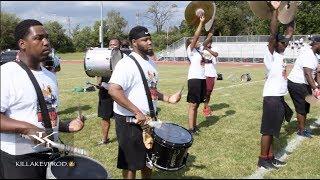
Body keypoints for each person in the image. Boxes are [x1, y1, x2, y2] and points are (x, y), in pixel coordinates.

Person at [0, 19, 85, 179]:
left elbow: (44, 112)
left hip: (48, 153)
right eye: (38, 38)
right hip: (19, 158)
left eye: (47, 37)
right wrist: (25, 128)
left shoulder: (49, 75)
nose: (46, 42)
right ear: (22, 44)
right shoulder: (6, 74)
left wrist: (66, 126)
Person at [108, 25, 182, 179]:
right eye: (145, 40)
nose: (149, 42)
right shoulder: (126, 64)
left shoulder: (150, 62)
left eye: (150, 39)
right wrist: (137, 112)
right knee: (131, 164)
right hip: (130, 122)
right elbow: (114, 90)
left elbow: (150, 90)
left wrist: (168, 98)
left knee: (148, 161)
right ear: (134, 42)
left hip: (149, 121)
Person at [257, 1, 294, 170]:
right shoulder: (270, 55)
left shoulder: (280, 54)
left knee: (273, 130)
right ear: (274, 44)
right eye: (282, 42)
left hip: (278, 97)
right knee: (268, 130)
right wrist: (275, 10)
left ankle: (270, 157)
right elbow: (273, 33)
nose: (285, 44)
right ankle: (262, 159)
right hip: (271, 98)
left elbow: (289, 33)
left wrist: (291, 10)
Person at [287, 36, 320, 138]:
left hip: (303, 84)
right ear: (318, 44)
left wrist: (318, 84)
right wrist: (315, 88)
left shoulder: (314, 55)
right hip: (296, 83)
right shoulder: (308, 55)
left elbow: (316, 73)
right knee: (301, 107)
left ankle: (302, 127)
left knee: (306, 106)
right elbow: (307, 74)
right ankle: (301, 131)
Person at [96, 38, 121, 145]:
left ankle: (122, 139)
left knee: (121, 116)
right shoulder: (103, 57)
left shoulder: (123, 58)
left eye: (115, 44)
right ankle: (105, 139)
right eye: (110, 44)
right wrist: (98, 83)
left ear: (119, 46)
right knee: (105, 116)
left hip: (119, 91)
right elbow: (98, 71)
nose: (112, 46)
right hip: (105, 92)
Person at [185, 15, 207, 134]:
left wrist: (211, 28)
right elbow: (196, 36)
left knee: (197, 104)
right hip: (194, 79)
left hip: (201, 79)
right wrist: (201, 22)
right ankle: (191, 128)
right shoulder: (191, 49)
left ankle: (194, 125)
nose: (198, 41)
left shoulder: (199, 51)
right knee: (193, 105)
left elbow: (208, 39)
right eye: (195, 41)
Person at [202, 21, 219, 117]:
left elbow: (216, 54)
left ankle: (206, 106)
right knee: (203, 91)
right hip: (203, 73)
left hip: (211, 73)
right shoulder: (201, 49)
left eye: (210, 41)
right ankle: (205, 107)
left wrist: (207, 48)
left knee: (208, 92)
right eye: (207, 42)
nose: (209, 43)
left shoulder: (214, 48)